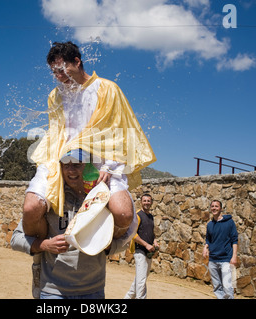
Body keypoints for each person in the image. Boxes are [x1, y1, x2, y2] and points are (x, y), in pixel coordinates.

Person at [23, 41, 156, 248]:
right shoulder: (55, 95)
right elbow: (56, 135)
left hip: (103, 160)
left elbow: (121, 131)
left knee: (123, 214)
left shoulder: (107, 88)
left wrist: (108, 167)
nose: (58, 76)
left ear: (77, 62)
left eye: (61, 69)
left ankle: (108, 247)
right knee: (31, 208)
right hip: (63, 158)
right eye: (54, 72)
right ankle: (41, 248)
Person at [11, 155, 129, 299]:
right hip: (53, 291)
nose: (71, 170)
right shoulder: (49, 198)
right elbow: (16, 239)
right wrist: (45, 245)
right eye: (66, 165)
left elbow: (125, 239)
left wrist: (108, 246)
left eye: (77, 165)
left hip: (93, 291)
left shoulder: (102, 198)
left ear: (88, 166)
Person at [124, 193, 159, 299]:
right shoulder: (137, 215)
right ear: (141, 202)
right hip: (139, 251)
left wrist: (155, 241)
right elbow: (133, 234)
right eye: (145, 201)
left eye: (148, 201)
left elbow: (151, 232)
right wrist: (146, 245)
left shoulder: (151, 217)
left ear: (151, 202)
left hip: (148, 252)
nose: (147, 203)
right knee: (141, 280)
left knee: (140, 278)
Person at [202, 200, 238, 299]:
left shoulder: (229, 222)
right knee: (217, 287)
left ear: (220, 208)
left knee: (227, 286)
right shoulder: (209, 225)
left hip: (226, 259)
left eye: (216, 206)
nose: (214, 208)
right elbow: (208, 239)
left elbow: (234, 240)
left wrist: (234, 257)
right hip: (213, 260)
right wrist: (205, 247)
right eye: (212, 206)